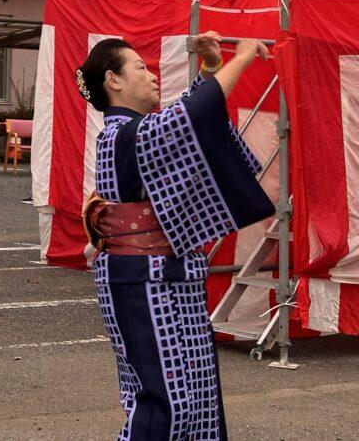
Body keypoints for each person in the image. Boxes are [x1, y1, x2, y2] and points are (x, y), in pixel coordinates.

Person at [77, 32, 274, 440]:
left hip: (170, 274)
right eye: (140, 68)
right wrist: (241, 58)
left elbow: (192, 125)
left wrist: (210, 69)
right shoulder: (120, 134)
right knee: (165, 401)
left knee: (198, 398)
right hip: (140, 279)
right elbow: (191, 117)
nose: (151, 77)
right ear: (113, 80)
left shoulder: (142, 132)